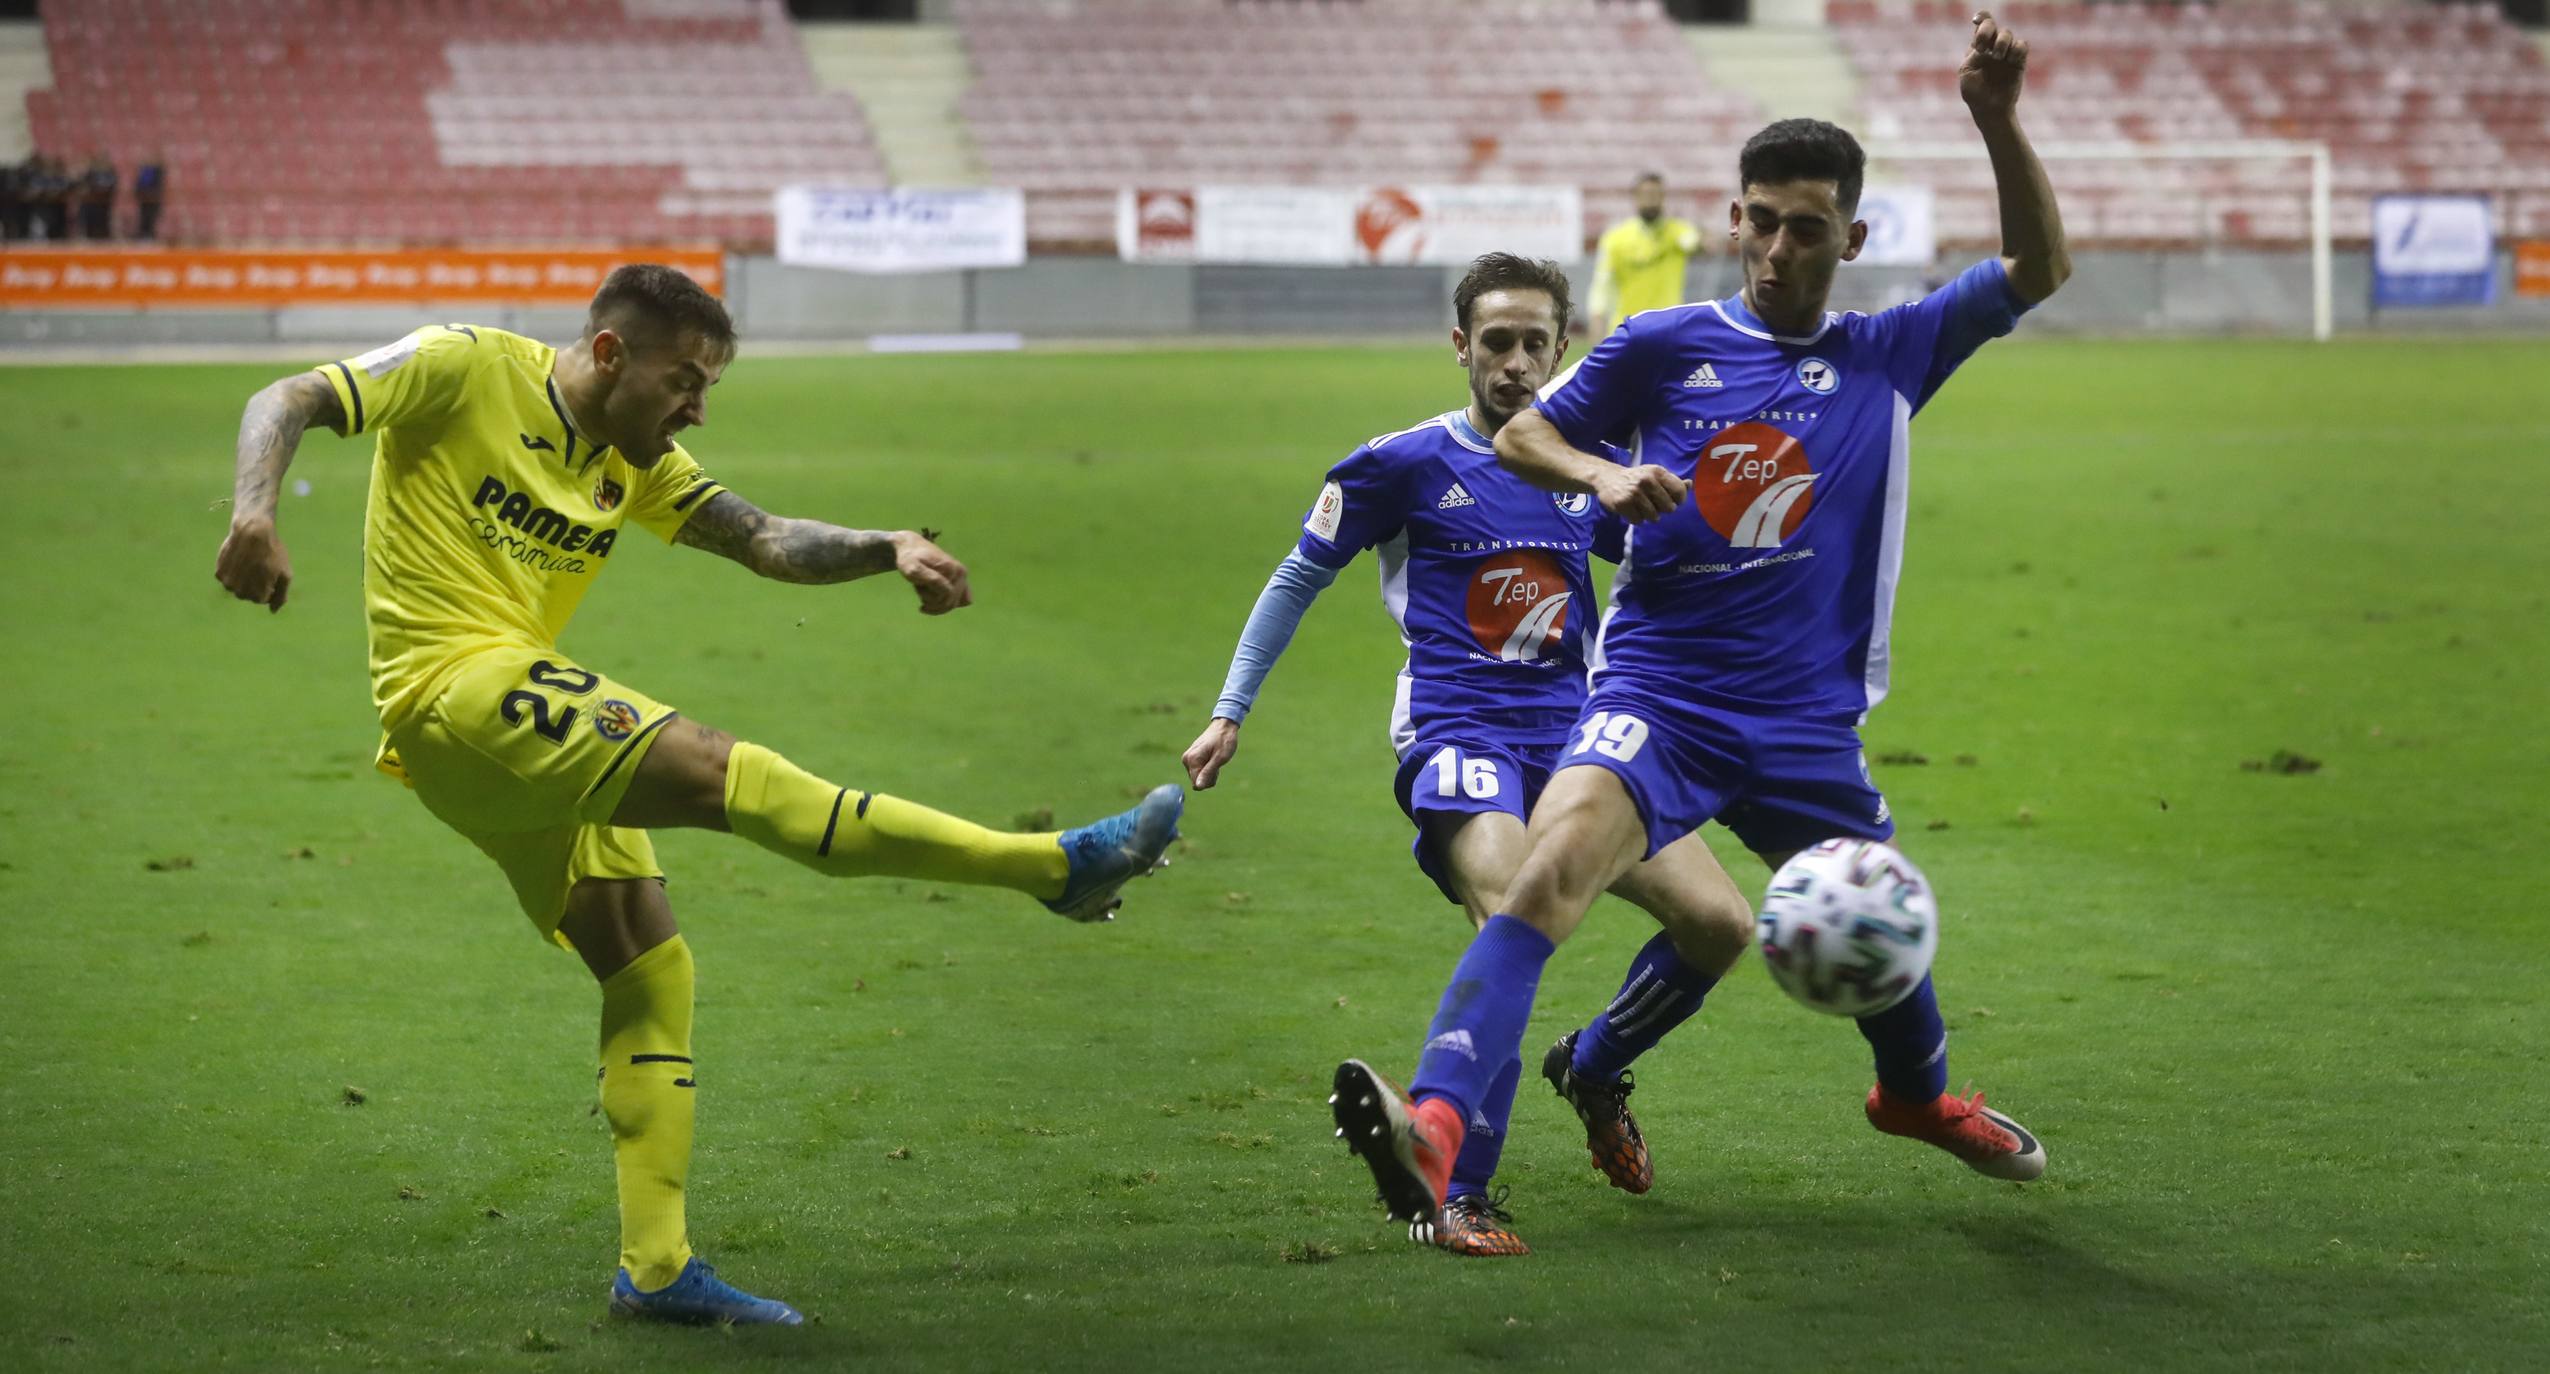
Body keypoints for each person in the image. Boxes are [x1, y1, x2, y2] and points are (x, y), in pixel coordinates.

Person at [214, 264, 1184, 1325]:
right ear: (613, 352)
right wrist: (255, 514)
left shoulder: (638, 462)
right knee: (725, 769)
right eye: (686, 379)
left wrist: (888, 546)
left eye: (709, 387)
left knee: (648, 965)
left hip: (500, 740)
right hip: (457, 692)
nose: (697, 408)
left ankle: (657, 1268)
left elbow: (762, 537)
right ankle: (1052, 868)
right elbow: (288, 397)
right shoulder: (464, 366)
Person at [1331, 12, 2071, 1232]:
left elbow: (2039, 270)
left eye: (1808, 229)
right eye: (1760, 221)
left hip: (1805, 726)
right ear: (1732, 220)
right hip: (1655, 700)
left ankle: (1919, 1099)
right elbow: (1525, 431)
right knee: (1547, 876)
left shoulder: (1891, 355)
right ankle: (1438, 1125)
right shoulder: (1662, 344)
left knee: (1877, 926)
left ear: (1852, 237)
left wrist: (1996, 121)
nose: (1778, 249)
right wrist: (1602, 477)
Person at [1186, 253, 1753, 1257]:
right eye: (1497, 342)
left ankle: (1594, 1065)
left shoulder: (1590, 468)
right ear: (1461, 346)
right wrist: (1232, 709)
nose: (1518, 363)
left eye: (1537, 343)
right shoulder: (1400, 463)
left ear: (1563, 348)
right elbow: (1294, 579)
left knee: (1718, 923)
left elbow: (1677, 567)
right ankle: (1458, 1190)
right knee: (1512, 909)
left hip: (1580, 742)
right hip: (1458, 734)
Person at [1587, 171, 1704, 336]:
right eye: (1646, 194)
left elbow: (1693, 242)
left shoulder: (1677, 231)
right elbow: (1602, 285)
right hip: (1626, 329)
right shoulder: (1616, 238)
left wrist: (1699, 242)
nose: (1651, 200)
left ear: (1663, 198)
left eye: (1656, 195)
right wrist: (1597, 319)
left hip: (1668, 329)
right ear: (1635, 197)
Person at [78, 152, 118, 240]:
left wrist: (104, 190)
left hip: (104, 202)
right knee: (91, 223)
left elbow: (113, 185)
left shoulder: (110, 171)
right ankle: (89, 237)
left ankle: (104, 238)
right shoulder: (91, 172)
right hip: (92, 202)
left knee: (103, 224)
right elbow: (84, 185)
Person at [134, 154, 165, 240]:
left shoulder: (158, 172)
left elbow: (159, 185)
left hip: (153, 199)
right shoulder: (144, 172)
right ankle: (144, 233)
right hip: (144, 199)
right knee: (144, 216)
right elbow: (138, 185)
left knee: (152, 217)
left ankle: (150, 234)